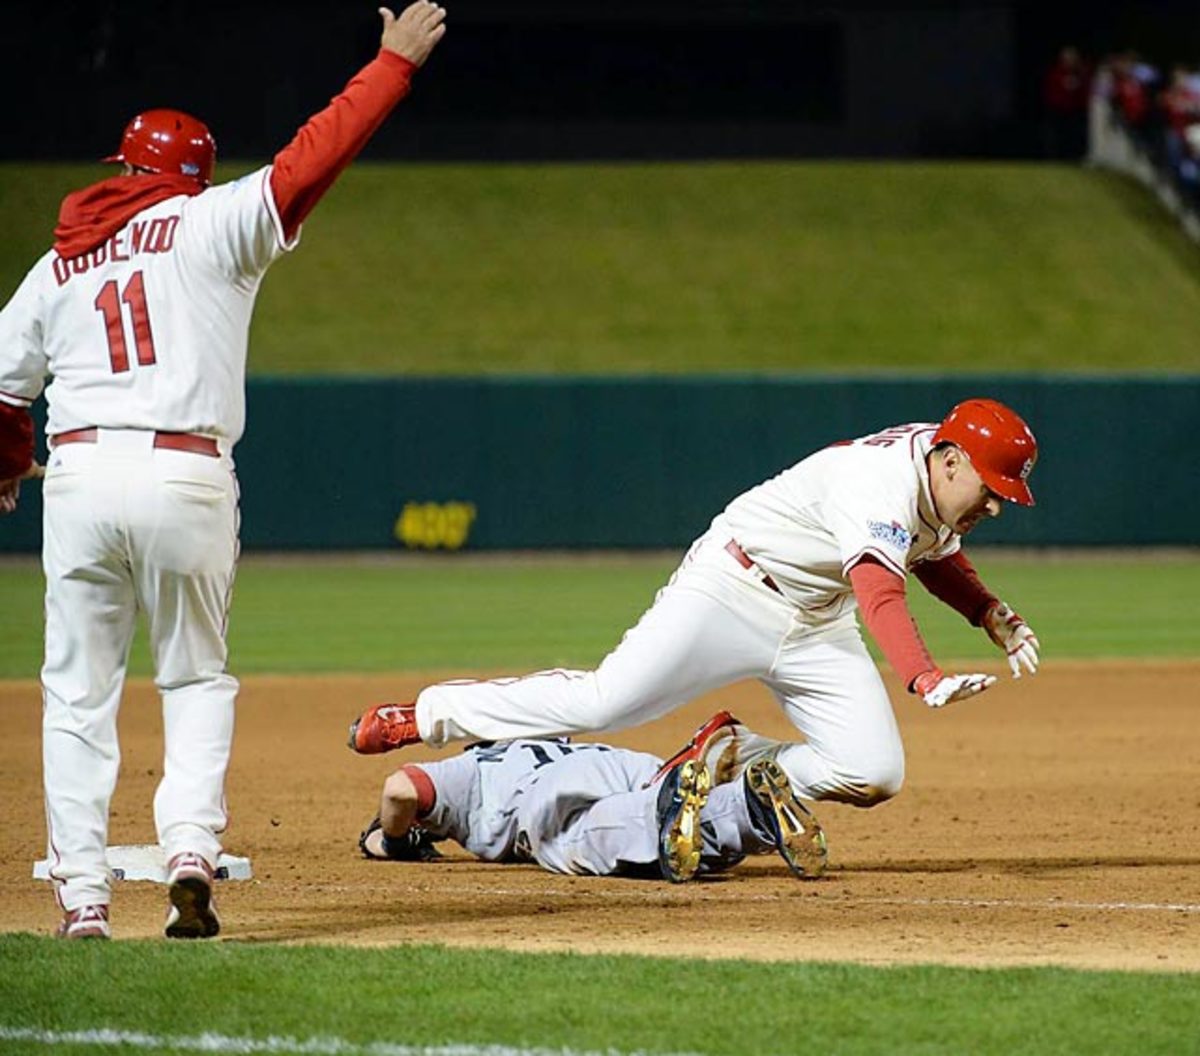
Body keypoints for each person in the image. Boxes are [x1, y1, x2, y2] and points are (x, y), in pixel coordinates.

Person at [0, 2, 448, 941]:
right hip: (186, 475)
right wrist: (392, 67)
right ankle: (190, 853)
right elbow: (309, 160)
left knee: (77, 695)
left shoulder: (59, 264)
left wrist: (8, 469)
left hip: (78, 475)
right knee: (195, 680)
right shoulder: (209, 224)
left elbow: (3, 393)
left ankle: (83, 896)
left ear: (123, 167)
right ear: (193, 175)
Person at [348, 399, 1041, 820]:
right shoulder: (879, 481)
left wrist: (987, 612)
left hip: (815, 620)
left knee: (872, 773)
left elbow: (935, 550)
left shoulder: (939, 472)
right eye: (990, 489)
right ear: (950, 460)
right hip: (732, 589)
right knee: (601, 704)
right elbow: (879, 587)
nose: (993, 505)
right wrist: (920, 675)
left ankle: (729, 753)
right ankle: (427, 714)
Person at [357, 712, 828, 884]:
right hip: (620, 764)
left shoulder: (471, 767)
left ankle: (667, 804)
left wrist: (392, 841)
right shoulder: (544, 738)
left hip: (545, 801)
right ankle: (748, 809)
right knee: (685, 834)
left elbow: (400, 790)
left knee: (589, 839)